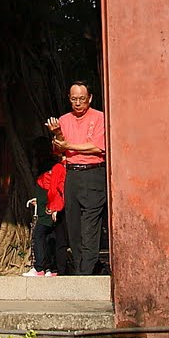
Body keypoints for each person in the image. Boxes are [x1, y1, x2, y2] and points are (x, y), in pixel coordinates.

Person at [51, 80, 106, 276]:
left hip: (93, 173)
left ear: (90, 98)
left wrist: (69, 146)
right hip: (72, 174)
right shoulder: (64, 120)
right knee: (73, 224)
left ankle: (87, 271)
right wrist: (57, 134)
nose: (78, 103)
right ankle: (79, 265)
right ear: (69, 98)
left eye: (82, 99)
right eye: (74, 99)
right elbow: (59, 149)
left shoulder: (100, 117)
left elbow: (97, 147)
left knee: (90, 224)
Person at [24, 141, 64, 278]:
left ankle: (40, 267)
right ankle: (49, 268)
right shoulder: (49, 167)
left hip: (48, 208)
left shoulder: (53, 167)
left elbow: (53, 188)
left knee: (39, 236)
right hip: (45, 205)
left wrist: (53, 207)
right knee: (48, 237)